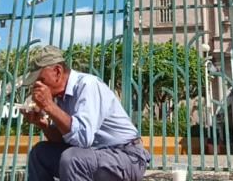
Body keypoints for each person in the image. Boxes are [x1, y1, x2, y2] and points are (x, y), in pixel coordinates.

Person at [20, 46, 150, 181]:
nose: (37, 85)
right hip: (97, 155)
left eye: (41, 80)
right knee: (39, 153)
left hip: (127, 156)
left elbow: (82, 139)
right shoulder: (61, 98)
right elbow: (67, 140)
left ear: (57, 72)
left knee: (73, 159)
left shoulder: (88, 85)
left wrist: (49, 106)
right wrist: (44, 125)